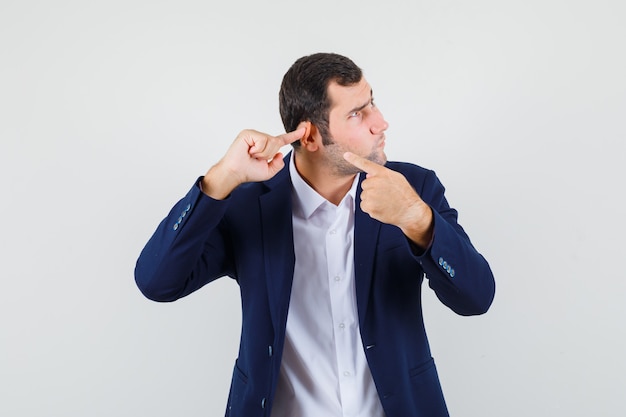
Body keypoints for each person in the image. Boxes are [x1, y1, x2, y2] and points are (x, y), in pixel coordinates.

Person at [135, 52, 495, 417]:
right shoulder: (248, 207)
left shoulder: (412, 188)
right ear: (309, 136)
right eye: (357, 113)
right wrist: (220, 178)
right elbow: (157, 282)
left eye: (372, 103)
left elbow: (477, 298)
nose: (381, 122)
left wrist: (418, 219)